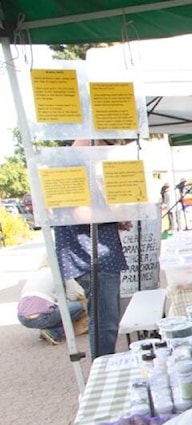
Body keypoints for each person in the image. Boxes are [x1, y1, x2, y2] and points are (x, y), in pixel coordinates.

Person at [54, 139, 131, 359]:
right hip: (92, 258)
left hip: (97, 256)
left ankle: (104, 368)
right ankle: (103, 373)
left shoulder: (77, 164)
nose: (109, 151)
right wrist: (116, 216)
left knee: (106, 322)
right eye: (109, 143)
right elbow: (79, 213)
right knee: (105, 324)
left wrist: (115, 221)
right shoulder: (69, 164)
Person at [17, 267, 86, 345]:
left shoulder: (40, 273)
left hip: (22, 318)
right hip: (40, 317)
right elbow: (72, 296)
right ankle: (54, 331)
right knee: (79, 307)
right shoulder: (66, 272)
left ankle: (47, 328)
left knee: (54, 309)